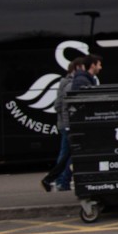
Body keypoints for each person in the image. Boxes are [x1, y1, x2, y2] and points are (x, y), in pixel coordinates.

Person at [41, 56, 84, 192]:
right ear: (77, 68)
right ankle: (60, 180)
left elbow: (59, 105)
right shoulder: (70, 84)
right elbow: (61, 106)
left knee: (65, 153)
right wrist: (67, 123)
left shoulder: (64, 82)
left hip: (64, 124)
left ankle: (56, 180)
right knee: (68, 154)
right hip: (67, 124)